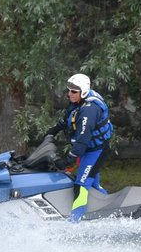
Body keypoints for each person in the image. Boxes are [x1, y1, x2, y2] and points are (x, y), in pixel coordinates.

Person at [39, 72, 114, 222]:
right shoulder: (79, 102)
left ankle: (74, 223)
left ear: (83, 92)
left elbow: (83, 138)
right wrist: (53, 131)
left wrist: (69, 160)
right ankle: (111, 211)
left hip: (95, 151)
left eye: (74, 91)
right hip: (88, 150)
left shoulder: (89, 109)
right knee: (93, 185)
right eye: (68, 90)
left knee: (81, 186)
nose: (69, 94)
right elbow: (69, 118)